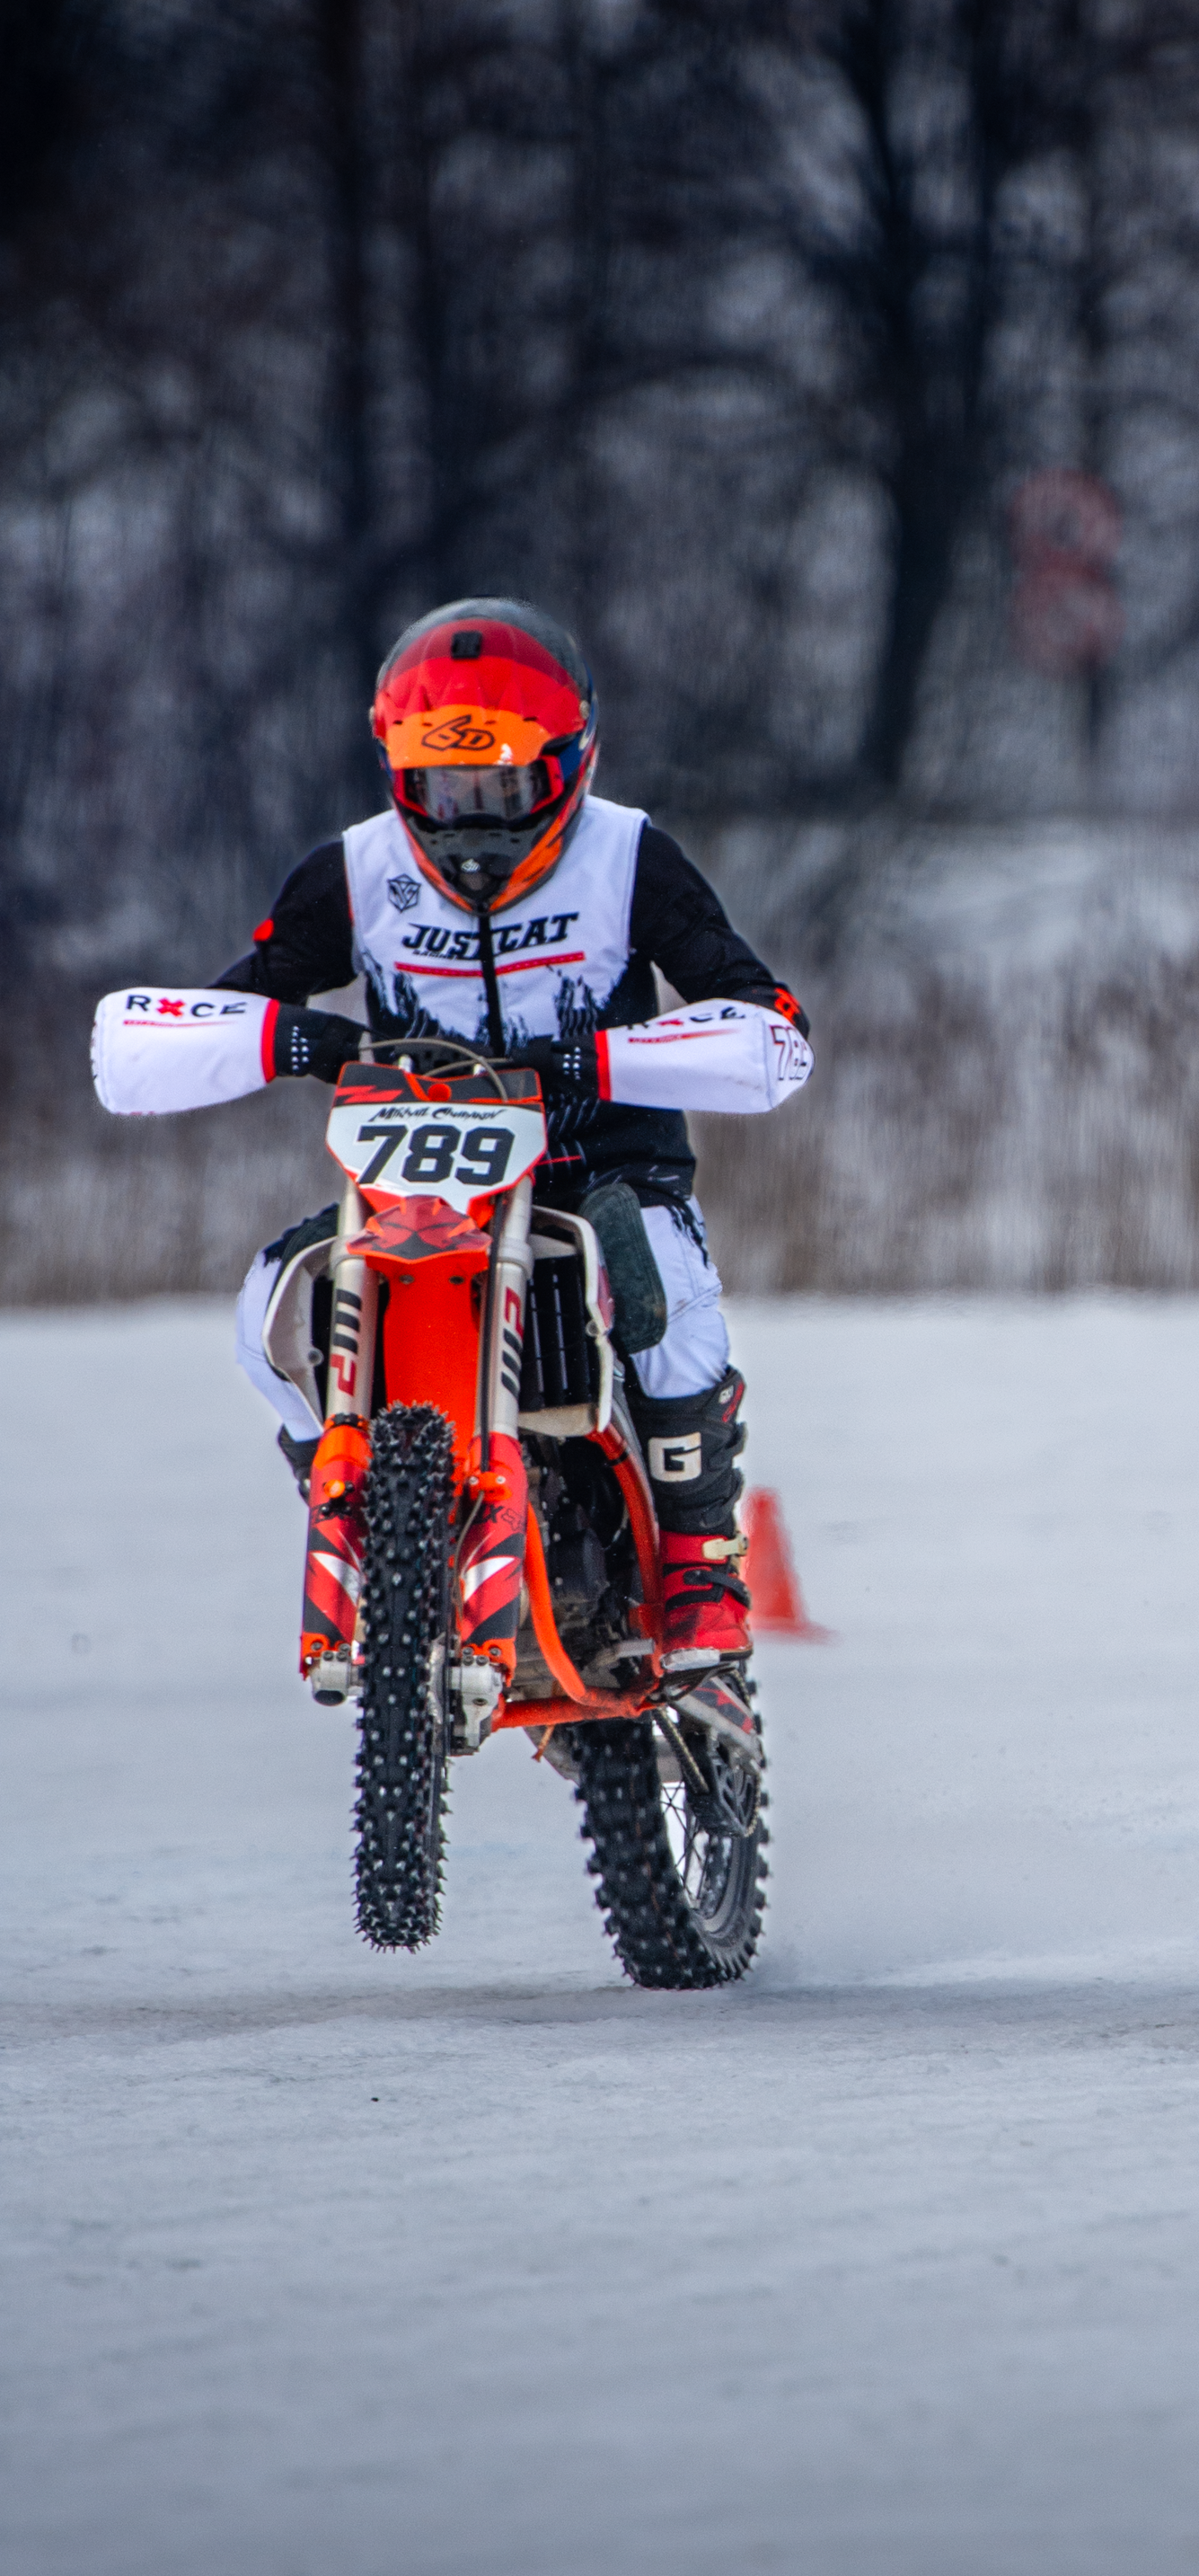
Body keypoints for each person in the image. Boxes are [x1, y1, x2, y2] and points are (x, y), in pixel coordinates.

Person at [91, 598, 810, 1750]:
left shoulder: (630, 857)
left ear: (567, 764)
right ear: (397, 773)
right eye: (442, 789)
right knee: (263, 1311)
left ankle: (700, 1593)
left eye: (501, 790)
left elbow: (774, 1025)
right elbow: (197, 1018)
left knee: (669, 1299)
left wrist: (597, 1057)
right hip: (415, 1190)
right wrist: (300, 1040)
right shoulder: (360, 870)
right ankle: (374, 1523)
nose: (470, 821)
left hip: (598, 1169)